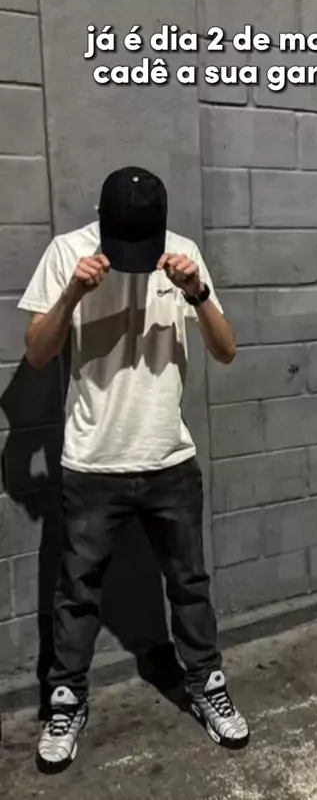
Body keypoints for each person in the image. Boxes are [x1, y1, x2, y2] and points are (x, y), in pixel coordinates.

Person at [18, 166, 249, 773]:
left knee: (190, 584)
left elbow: (226, 349)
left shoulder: (182, 254)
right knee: (77, 594)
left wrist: (197, 292)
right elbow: (37, 353)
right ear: (102, 221)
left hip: (170, 459)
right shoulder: (66, 252)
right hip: (91, 464)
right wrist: (72, 294)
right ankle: (66, 702)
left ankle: (206, 685)